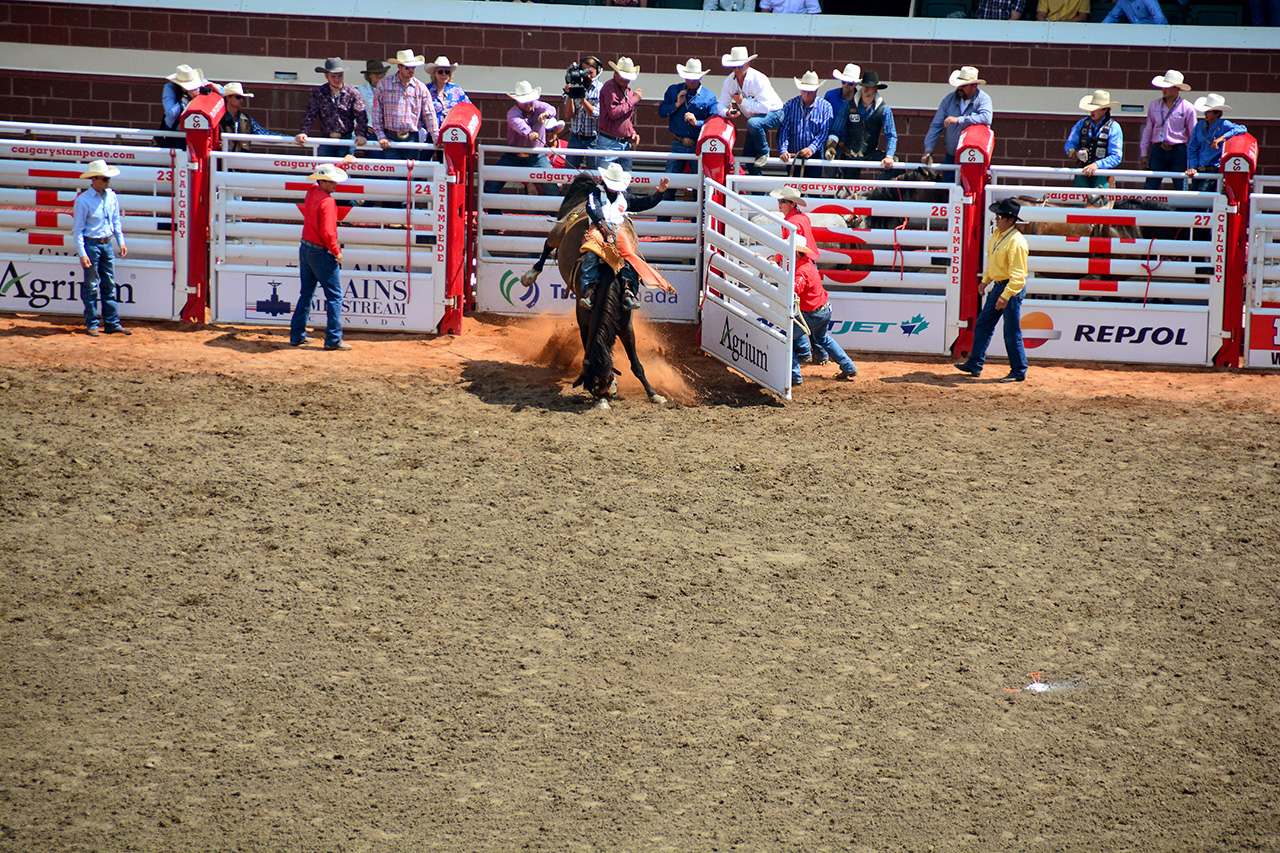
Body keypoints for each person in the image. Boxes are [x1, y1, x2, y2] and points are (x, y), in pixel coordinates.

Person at [770, 185, 856, 376]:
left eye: (783, 201)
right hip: (814, 283)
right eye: (780, 200)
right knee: (820, 331)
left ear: (792, 203)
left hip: (799, 268)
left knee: (794, 321)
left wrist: (776, 262)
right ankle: (837, 362)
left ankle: (797, 367)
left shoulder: (790, 224)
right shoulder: (802, 218)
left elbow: (789, 251)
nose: (780, 204)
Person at [578, 164, 675, 311]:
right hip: (598, 228)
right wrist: (603, 227)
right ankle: (589, 291)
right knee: (591, 251)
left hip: (617, 230)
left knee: (630, 256)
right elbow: (593, 208)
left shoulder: (624, 197)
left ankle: (628, 292)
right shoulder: (595, 192)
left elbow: (642, 203)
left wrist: (659, 194)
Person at [955, 197, 1029, 383]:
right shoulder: (1000, 235)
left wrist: (1005, 295)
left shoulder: (1016, 242)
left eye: (999, 216)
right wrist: (986, 280)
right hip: (1001, 286)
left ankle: (1018, 370)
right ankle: (975, 363)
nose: (996, 219)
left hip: (1009, 289)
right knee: (984, 325)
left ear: (1009, 220)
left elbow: (1018, 276)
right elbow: (994, 262)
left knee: (1010, 331)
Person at [291, 163, 350, 351]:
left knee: (306, 294)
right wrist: (337, 252)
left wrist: (342, 164)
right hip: (321, 252)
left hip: (306, 248)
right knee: (334, 296)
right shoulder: (328, 202)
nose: (335, 184)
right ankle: (333, 339)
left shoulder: (312, 191)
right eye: (332, 181)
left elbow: (321, 177)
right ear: (323, 181)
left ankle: (297, 335)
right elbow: (328, 232)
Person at [72, 160, 130, 337]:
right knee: (91, 285)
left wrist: (121, 241)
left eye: (108, 179)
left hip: (106, 243)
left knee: (109, 284)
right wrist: (82, 253)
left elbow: (116, 221)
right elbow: (78, 230)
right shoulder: (83, 201)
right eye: (105, 179)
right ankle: (93, 323)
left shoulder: (111, 196)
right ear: (94, 179)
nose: (107, 182)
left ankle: (111, 323)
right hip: (92, 244)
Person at [482, 81, 558, 198]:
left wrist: (547, 113)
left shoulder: (539, 106)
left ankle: (556, 214)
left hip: (536, 155)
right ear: (518, 101)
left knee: (552, 188)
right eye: (524, 102)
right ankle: (494, 212)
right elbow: (518, 124)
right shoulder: (512, 113)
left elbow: (551, 108)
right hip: (514, 155)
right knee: (491, 185)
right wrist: (529, 133)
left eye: (530, 100)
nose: (528, 104)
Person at [717, 46, 785, 175]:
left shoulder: (759, 79)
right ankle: (758, 191)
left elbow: (765, 107)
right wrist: (727, 112)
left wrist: (742, 101)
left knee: (754, 124)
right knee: (748, 155)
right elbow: (721, 105)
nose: (736, 70)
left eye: (740, 66)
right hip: (755, 118)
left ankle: (764, 152)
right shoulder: (729, 82)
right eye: (734, 66)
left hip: (775, 112)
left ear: (747, 64)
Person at [658, 59, 719, 199]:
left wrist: (696, 122)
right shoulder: (673, 90)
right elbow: (661, 112)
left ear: (700, 77)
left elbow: (714, 122)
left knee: (700, 185)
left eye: (695, 78)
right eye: (689, 78)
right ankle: (664, 219)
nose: (691, 81)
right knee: (668, 183)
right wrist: (676, 105)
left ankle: (696, 220)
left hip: (698, 144)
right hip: (678, 142)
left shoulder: (709, 97)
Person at [923, 66, 993, 177]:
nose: (959, 88)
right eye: (958, 85)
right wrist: (928, 149)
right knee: (948, 191)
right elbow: (936, 125)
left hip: (974, 161)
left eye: (963, 86)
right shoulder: (949, 100)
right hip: (951, 157)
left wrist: (959, 120)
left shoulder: (983, 99)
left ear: (974, 86)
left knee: (973, 192)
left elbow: (986, 118)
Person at [296, 58, 369, 159]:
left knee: (343, 171)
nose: (337, 79)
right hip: (326, 138)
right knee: (324, 170)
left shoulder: (352, 92)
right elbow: (310, 114)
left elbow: (361, 115)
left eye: (340, 76)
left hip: (346, 139)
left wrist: (361, 134)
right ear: (327, 76)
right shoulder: (319, 92)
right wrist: (303, 132)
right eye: (333, 76)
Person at [829, 71, 897, 177]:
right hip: (850, 153)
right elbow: (836, 130)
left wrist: (889, 156)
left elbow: (891, 135)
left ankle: (879, 191)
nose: (865, 88)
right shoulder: (848, 105)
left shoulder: (884, 109)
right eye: (864, 85)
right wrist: (830, 145)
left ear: (875, 88)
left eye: (869, 86)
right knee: (847, 186)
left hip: (870, 153)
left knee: (895, 164)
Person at [372, 49, 439, 156]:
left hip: (412, 137)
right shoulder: (384, 85)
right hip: (390, 138)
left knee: (410, 172)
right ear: (399, 66)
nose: (411, 70)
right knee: (393, 171)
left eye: (413, 67)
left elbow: (429, 114)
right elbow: (376, 113)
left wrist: (436, 136)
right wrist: (381, 136)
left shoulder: (421, 88)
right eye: (407, 67)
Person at [1140, 69, 1197, 192]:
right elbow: (1148, 130)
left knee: (1181, 186)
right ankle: (1146, 210)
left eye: (1168, 87)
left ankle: (1183, 210)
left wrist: (1192, 161)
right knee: (1150, 186)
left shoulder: (1188, 108)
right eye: (1163, 87)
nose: (1164, 89)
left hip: (1179, 150)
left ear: (1177, 89)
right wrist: (1143, 154)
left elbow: (1193, 135)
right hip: (1158, 149)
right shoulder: (1153, 105)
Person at [1185, 94, 1248, 192]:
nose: (1206, 113)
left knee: (1202, 196)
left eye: (1209, 111)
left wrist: (1221, 138)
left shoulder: (1224, 125)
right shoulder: (1200, 126)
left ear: (1217, 113)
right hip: (1199, 169)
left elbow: (1242, 128)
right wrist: (1193, 167)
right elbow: (1192, 148)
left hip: (1213, 170)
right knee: (1195, 199)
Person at [778, 71, 833, 179]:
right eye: (804, 90)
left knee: (815, 192)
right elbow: (783, 130)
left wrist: (812, 148)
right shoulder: (790, 105)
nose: (807, 93)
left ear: (816, 90)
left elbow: (824, 132)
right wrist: (783, 150)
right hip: (793, 156)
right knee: (793, 192)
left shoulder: (826, 107)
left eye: (810, 91)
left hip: (815, 156)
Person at [593, 57, 643, 172]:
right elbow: (614, 113)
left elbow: (626, 119)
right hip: (608, 143)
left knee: (625, 179)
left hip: (624, 143)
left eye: (626, 76)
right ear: (615, 73)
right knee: (605, 179)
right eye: (620, 74)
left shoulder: (628, 91)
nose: (622, 78)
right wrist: (634, 100)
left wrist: (632, 133)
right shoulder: (609, 87)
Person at [1065, 90, 1122, 189]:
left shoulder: (1114, 128)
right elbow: (1070, 144)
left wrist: (1097, 164)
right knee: (1079, 202)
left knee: (1100, 203)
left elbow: (1116, 156)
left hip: (1103, 174)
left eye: (1096, 109)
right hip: (1082, 171)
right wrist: (1075, 153)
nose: (1092, 111)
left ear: (1105, 110)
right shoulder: (1081, 124)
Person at [160, 64, 219, 149]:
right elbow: (171, 113)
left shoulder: (201, 82)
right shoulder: (170, 88)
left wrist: (213, 87)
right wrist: (186, 99)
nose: (194, 88)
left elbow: (222, 91)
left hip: (197, 130)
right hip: (176, 132)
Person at [563, 56, 603, 170]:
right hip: (575, 138)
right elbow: (568, 114)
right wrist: (571, 95)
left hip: (593, 139)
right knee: (568, 173)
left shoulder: (601, 89)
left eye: (590, 72)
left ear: (597, 72)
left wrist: (582, 98)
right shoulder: (576, 84)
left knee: (595, 174)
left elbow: (597, 115)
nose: (588, 76)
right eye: (584, 72)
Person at [218, 83, 274, 152]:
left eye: (243, 98)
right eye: (238, 97)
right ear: (228, 98)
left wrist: (286, 138)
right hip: (222, 161)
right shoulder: (218, 119)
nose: (241, 100)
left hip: (240, 161)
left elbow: (263, 133)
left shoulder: (246, 119)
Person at [425, 56, 471, 139]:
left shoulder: (456, 90)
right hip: (430, 134)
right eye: (440, 72)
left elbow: (469, 108)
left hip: (453, 134)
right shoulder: (426, 90)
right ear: (434, 73)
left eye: (447, 72)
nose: (444, 74)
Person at [356, 59, 390, 136]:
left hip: (387, 131)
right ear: (369, 75)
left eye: (381, 73)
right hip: (370, 131)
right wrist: (361, 126)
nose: (379, 75)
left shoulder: (390, 90)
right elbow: (356, 112)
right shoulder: (361, 91)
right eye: (375, 73)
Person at [1101, 0, 1168, 22]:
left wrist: (1161, 35)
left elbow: (1160, 18)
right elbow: (1112, 17)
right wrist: (1099, 30)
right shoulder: (1122, 2)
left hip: (1153, 34)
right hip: (1137, 35)